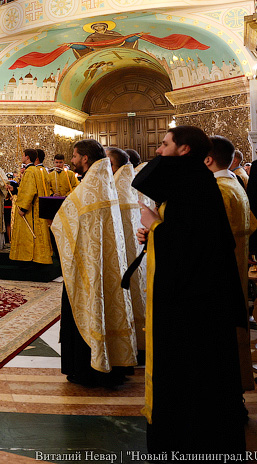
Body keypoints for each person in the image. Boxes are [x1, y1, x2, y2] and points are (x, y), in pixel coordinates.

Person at [133, 126, 245, 454]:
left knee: (192, 378)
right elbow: (188, 235)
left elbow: (195, 248)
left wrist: (157, 226)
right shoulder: (192, 182)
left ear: (183, 150)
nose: (158, 150)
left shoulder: (195, 185)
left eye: (165, 144)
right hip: (190, 300)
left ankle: (189, 446)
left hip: (193, 307)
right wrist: (155, 233)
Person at [52, 140, 136, 388]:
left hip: (89, 265)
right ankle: (114, 364)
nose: (73, 160)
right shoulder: (106, 181)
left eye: (75, 156)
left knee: (87, 306)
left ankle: (89, 370)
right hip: (104, 262)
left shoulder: (90, 188)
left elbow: (63, 221)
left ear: (85, 158)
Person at [205, 136, 255, 393]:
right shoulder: (232, 183)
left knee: (222, 337)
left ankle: (225, 396)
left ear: (208, 159)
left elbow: (204, 237)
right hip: (233, 270)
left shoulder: (220, 191)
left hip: (220, 276)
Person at [107, 147, 146, 359]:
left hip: (125, 256)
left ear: (114, 166)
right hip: (138, 254)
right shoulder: (134, 183)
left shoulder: (116, 189)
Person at [9, 149, 52, 264]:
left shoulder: (29, 172)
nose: (22, 157)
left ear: (27, 157)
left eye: (23, 155)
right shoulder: (38, 170)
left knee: (29, 235)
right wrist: (15, 189)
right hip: (39, 208)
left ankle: (28, 259)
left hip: (30, 210)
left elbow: (29, 191)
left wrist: (23, 208)